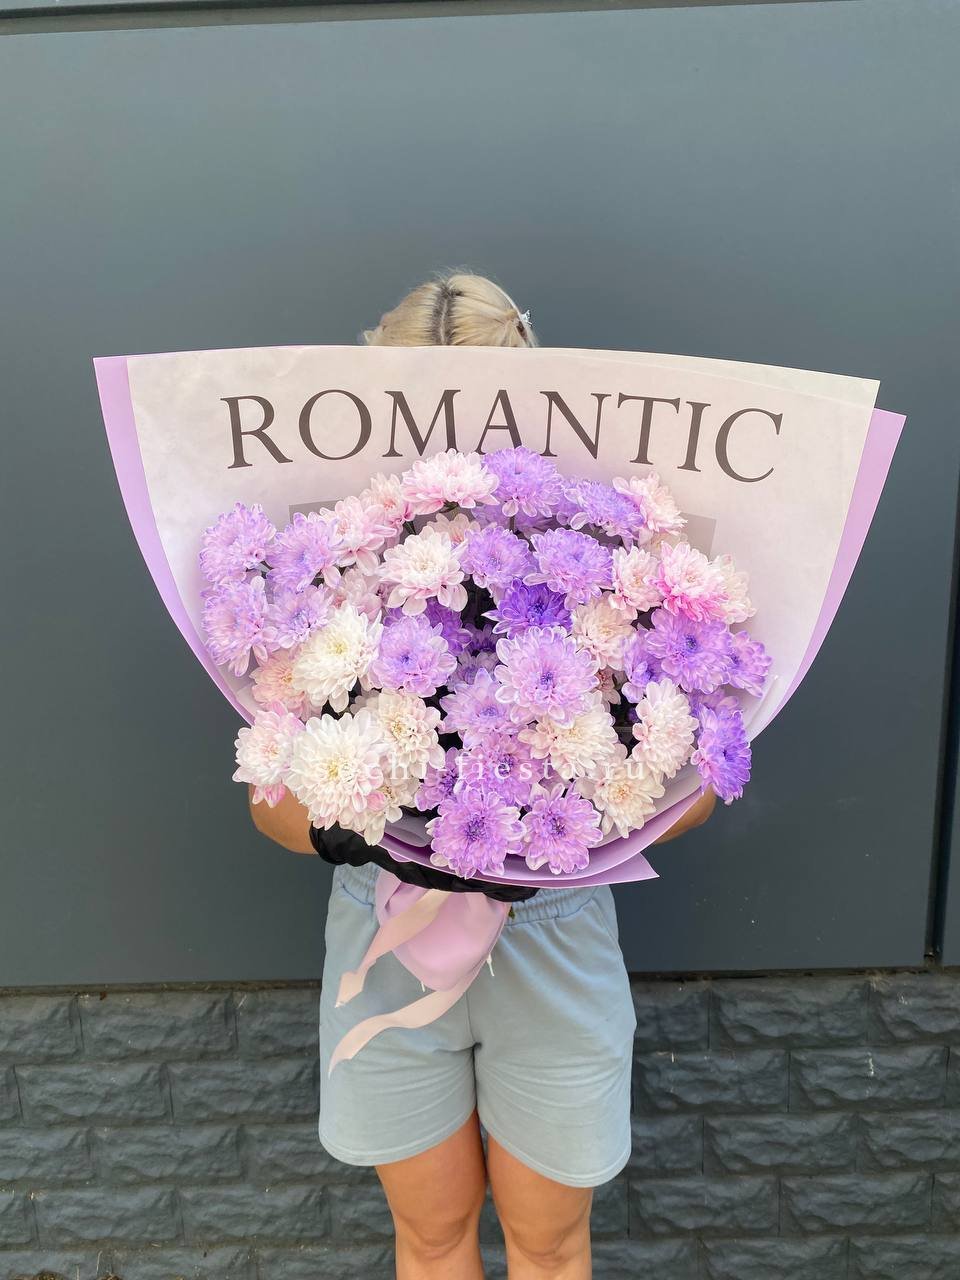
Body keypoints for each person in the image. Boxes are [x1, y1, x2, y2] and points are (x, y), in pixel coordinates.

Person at [250, 271, 716, 1280]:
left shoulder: (602, 550)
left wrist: (600, 814)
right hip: (386, 920)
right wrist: (343, 826)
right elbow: (268, 804)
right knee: (430, 1238)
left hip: (552, 931)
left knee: (548, 1244)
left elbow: (703, 783)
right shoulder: (327, 567)